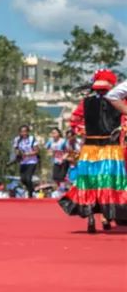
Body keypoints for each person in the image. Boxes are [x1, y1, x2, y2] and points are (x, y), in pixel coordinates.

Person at [59, 69, 126, 233]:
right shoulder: (119, 101)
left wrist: (84, 132)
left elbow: (74, 121)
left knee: (90, 183)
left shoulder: (86, 102)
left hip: (90, 150)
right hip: (110, 149)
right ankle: (105, 216)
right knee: (108, 183)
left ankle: (91, 218)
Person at [11, 125, 40, 198]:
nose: (23, 133)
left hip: (32, 162)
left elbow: (37, 151)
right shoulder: (17, 139)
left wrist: (27, 154)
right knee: (23, 179)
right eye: (22, 132)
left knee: (28, 178)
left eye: (25, 131)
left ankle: (30, 194)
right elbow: (16, 149)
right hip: (23, 162)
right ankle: (31, 188)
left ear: (28, 132)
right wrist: (18, 153)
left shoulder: (32, 139)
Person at [45, 127, 70, 195]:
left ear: (59, 133)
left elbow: (68, 151)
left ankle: (62, 189)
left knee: (61, 176)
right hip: (55, 160)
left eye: (55, 133)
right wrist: (50, 152)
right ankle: (61, 188)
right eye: (52, 133)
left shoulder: (63, 141)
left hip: (64, 160)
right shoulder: (50, 141)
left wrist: (63, 158)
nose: (53, 134)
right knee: (55, 176)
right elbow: (46, 148)